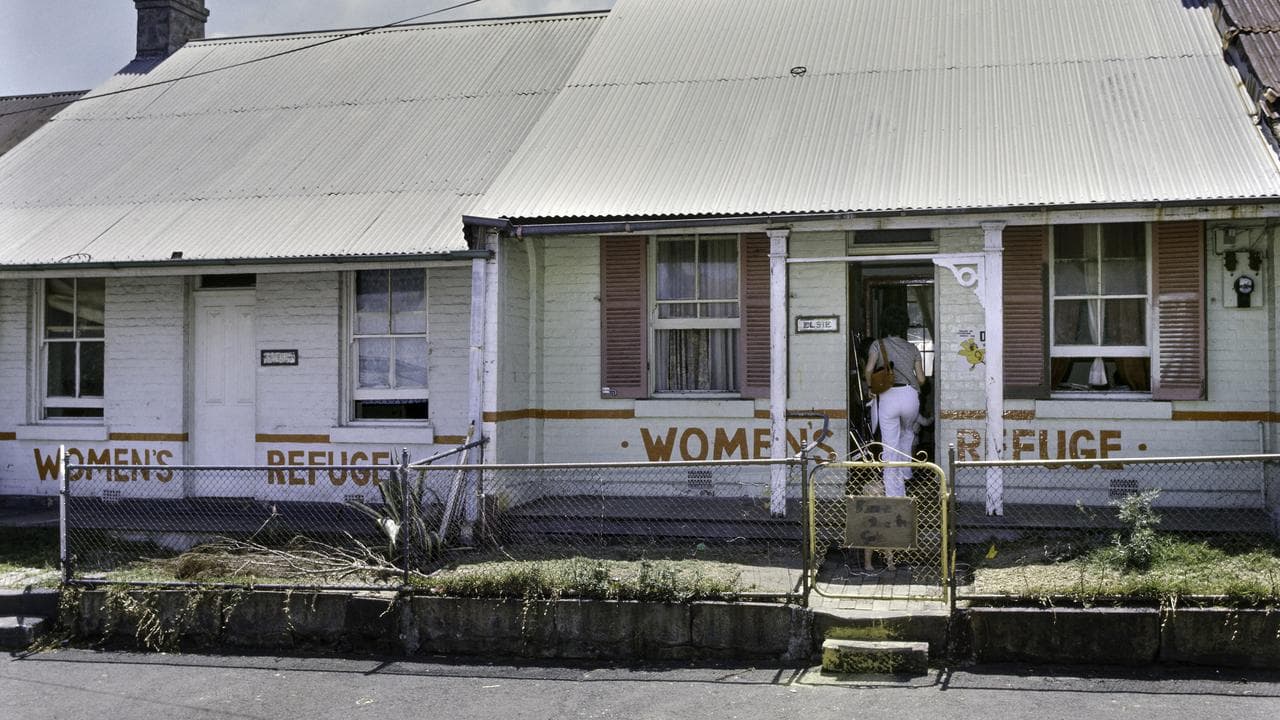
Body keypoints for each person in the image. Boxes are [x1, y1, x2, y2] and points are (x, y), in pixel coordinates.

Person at [863, 305, 926, 498]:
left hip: (889, 396)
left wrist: (871, 389)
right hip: (910, 397)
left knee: (890, 446)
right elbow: (922, 379)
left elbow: (868, 370)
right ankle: (906, 473)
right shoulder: (913, 347)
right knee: (907, 433)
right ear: (904, 325)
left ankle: (895, 495)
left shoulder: (877, 345)